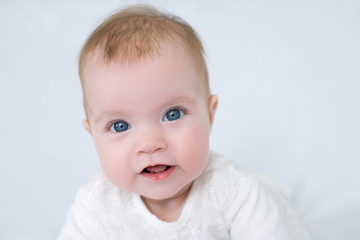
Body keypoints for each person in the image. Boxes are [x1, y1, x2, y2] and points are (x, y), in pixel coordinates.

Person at [58, 5, 309, 239]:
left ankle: (276, 191)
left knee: (271, 198)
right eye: (120, 126)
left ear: (209, 115)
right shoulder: (98, 205)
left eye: (173, 114)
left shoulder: (234, 191)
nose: (150, 144)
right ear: (92, 135)